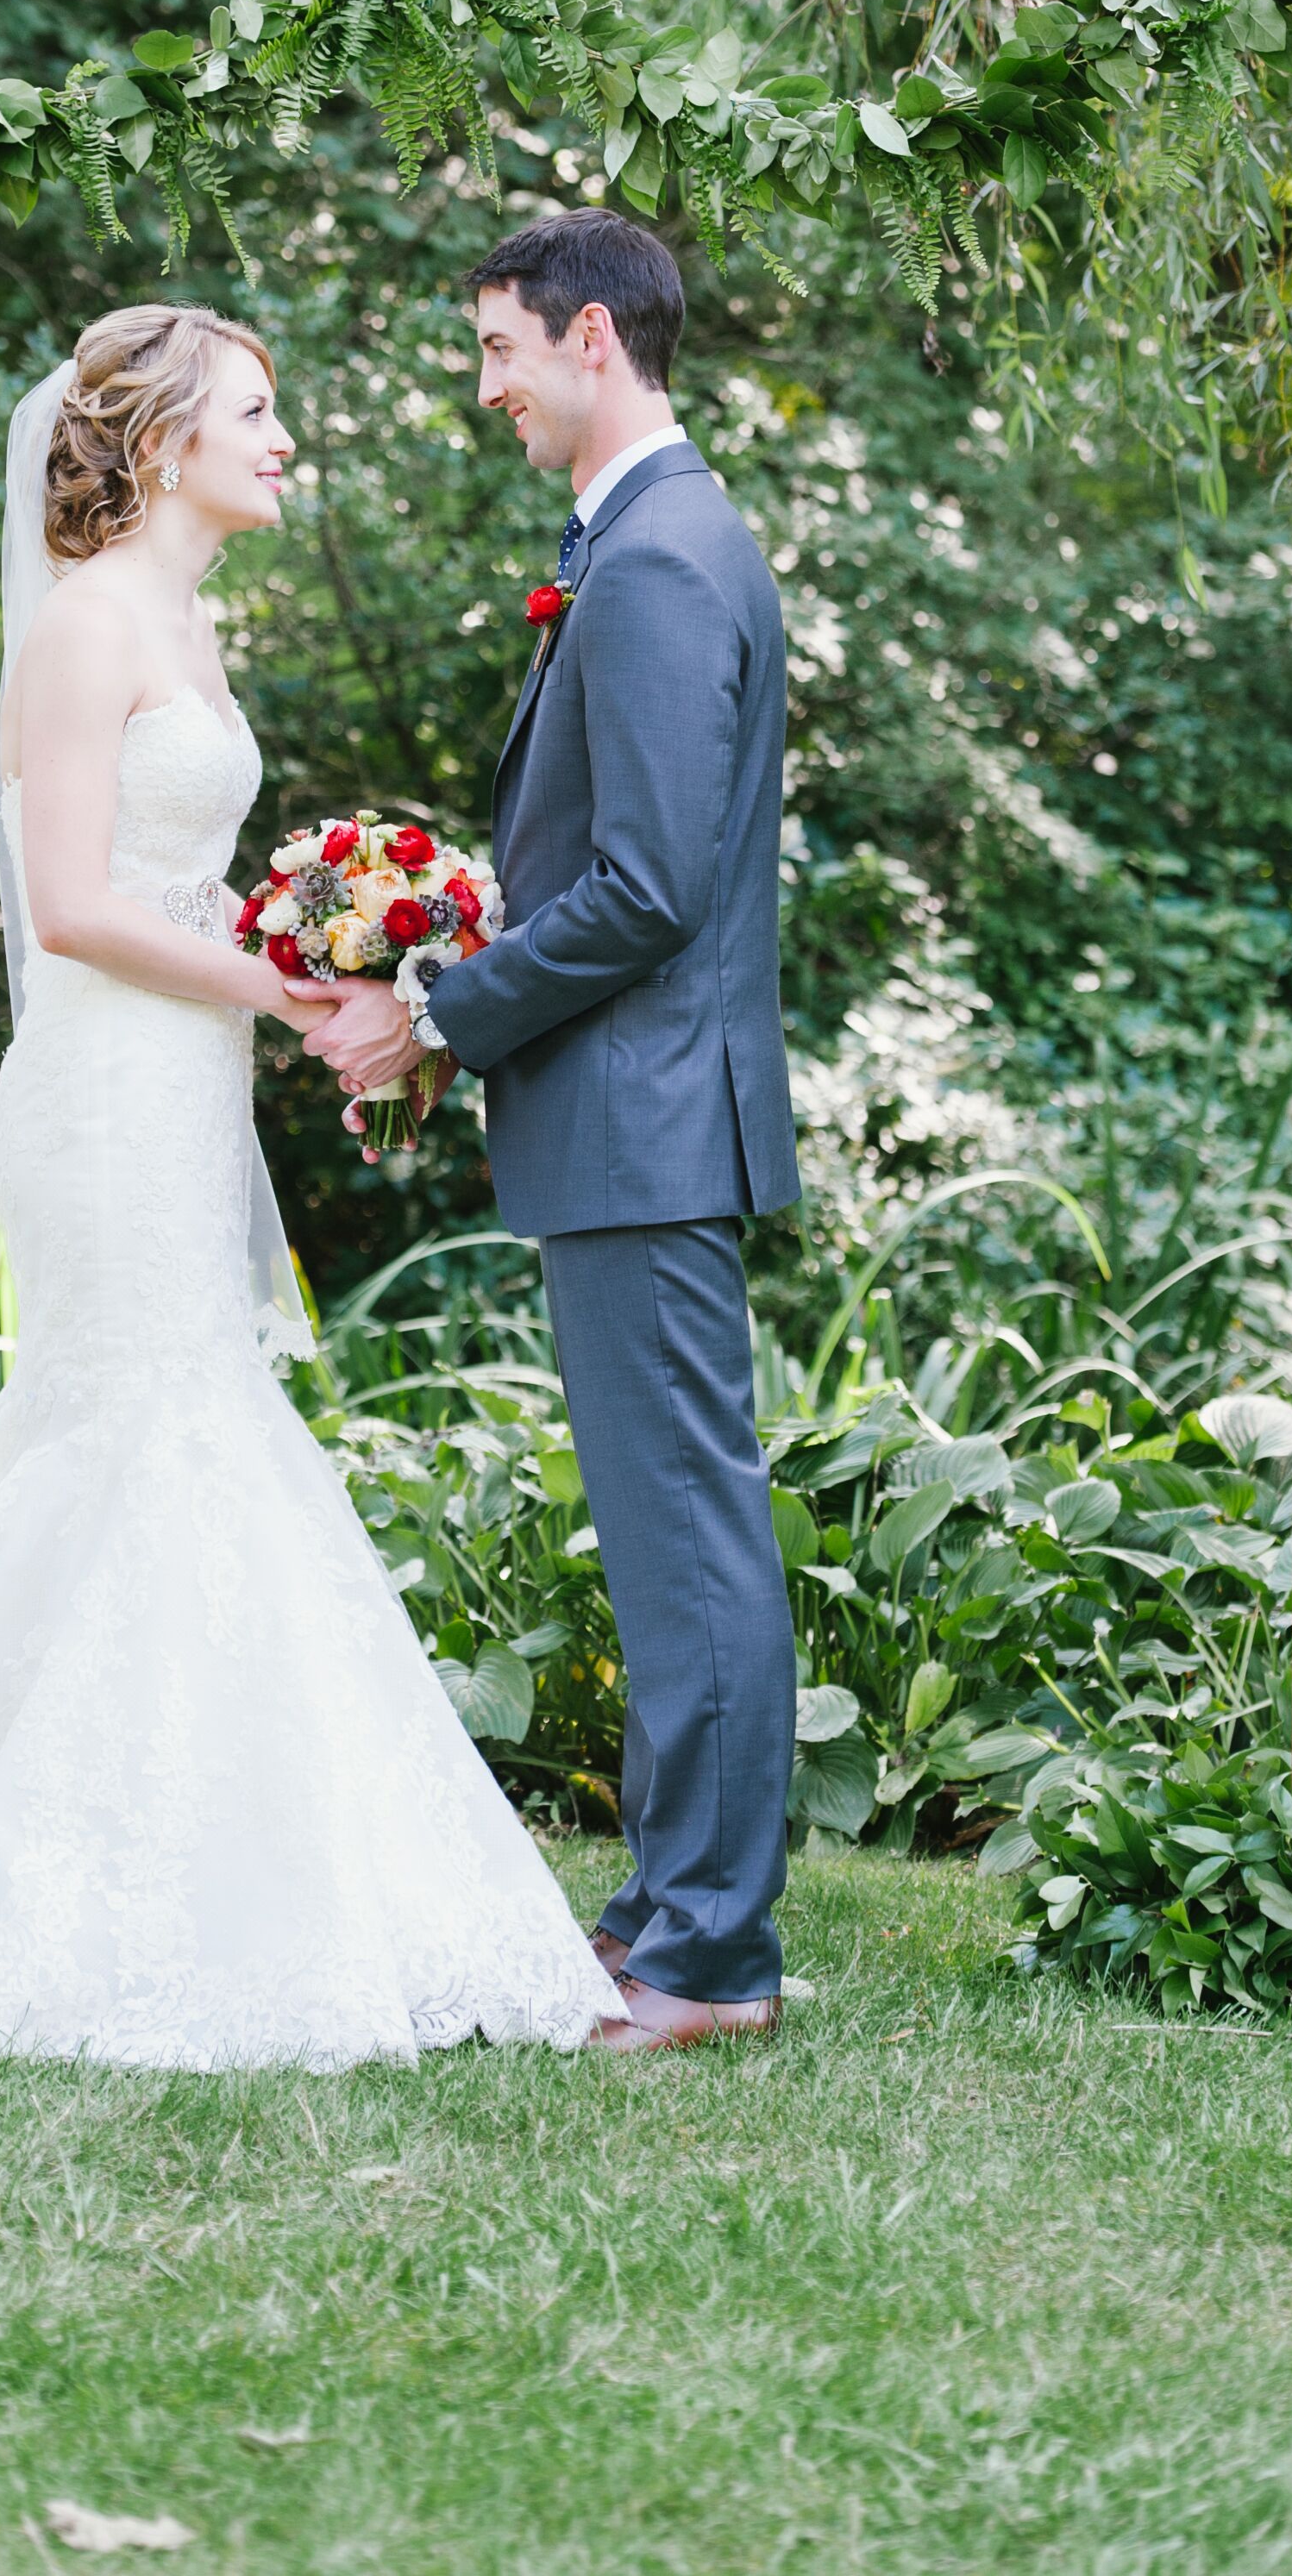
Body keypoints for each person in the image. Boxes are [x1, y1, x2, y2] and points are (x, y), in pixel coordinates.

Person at [0, 302, 617, 2070]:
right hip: (105, 1088)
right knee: (138, 1425)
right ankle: (8, 1888)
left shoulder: (188, 618)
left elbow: (184, 886)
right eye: (257, 410)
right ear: (160, 442)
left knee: (188, 1416)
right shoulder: (84, 627)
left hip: (183, 1074)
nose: (284, 439)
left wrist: (334, 933)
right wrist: (305, 985)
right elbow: (76, 903)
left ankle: (231, 1867)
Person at [304, 214, 801, 2053]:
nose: (487, 383)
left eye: (501, 346)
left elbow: (650, 885)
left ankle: (713, 1960)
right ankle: (673, 1915)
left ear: (592, 338)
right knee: (669, 1536)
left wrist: (434, 1009)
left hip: (650, 1122)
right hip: (633, 1120)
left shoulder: (661, 557)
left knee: (686, 1542)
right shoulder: (640, 541)